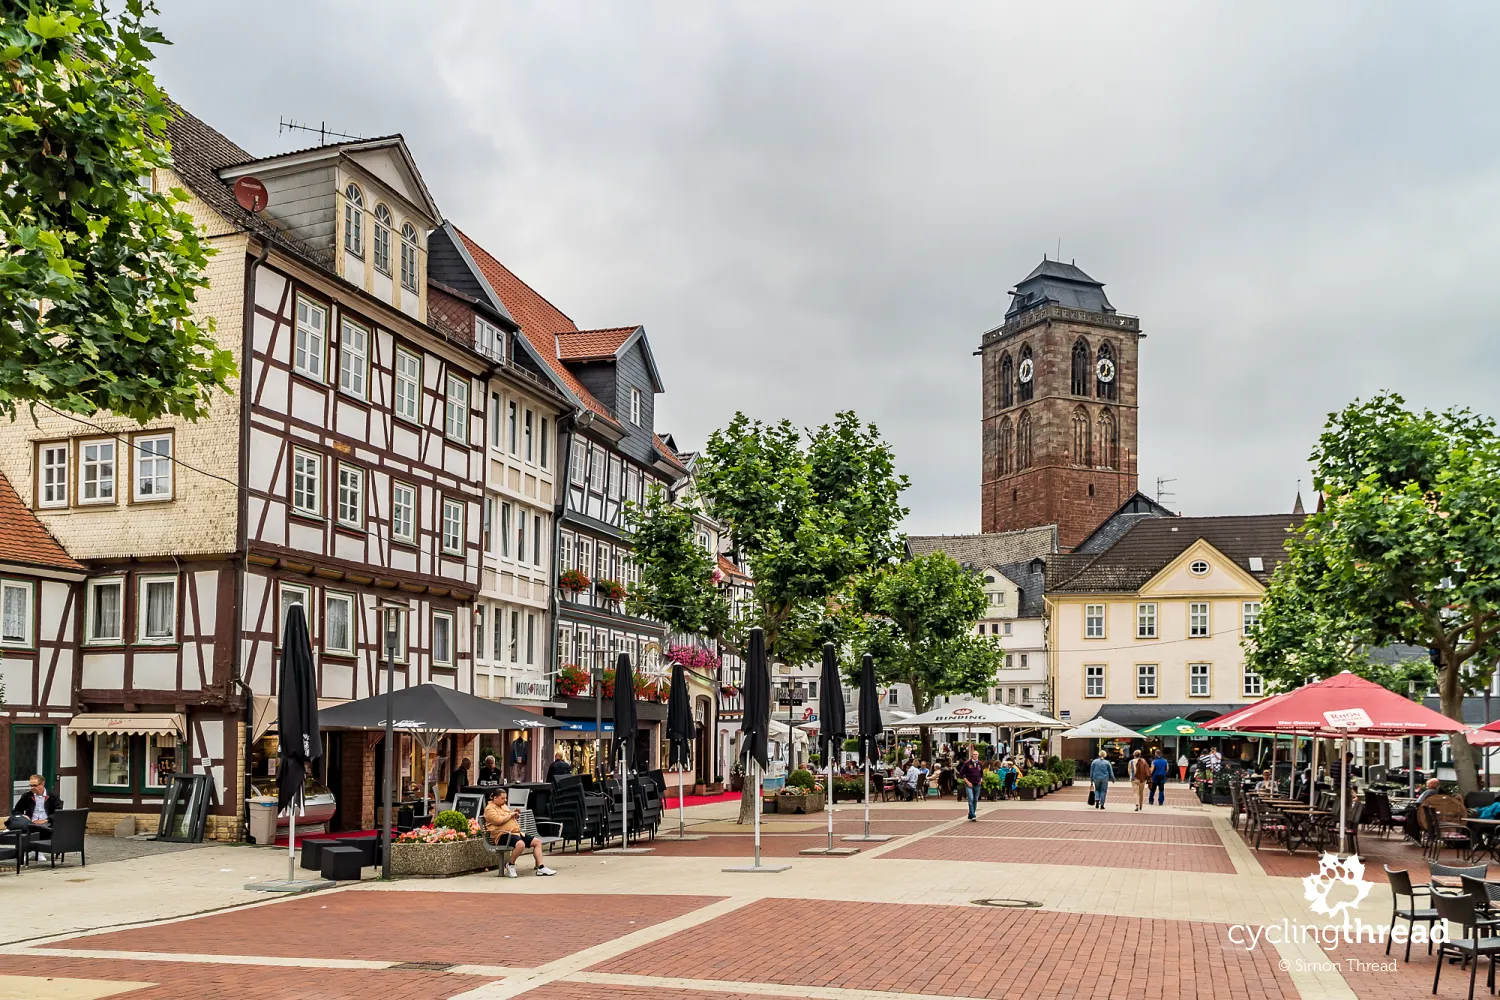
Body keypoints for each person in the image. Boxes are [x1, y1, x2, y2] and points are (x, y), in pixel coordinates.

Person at [483, 788, 556, 877]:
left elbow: (509, 817)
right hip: (502, 835)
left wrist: (515, 815)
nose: (505, 800)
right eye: (502, 798)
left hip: (515, 833)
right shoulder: (489, 809)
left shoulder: (503, 806)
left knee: (537, 842)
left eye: (505, 798)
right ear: (495, 798)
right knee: (520, 845)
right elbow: (499, 821)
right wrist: (511, 815)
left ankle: (541, 867)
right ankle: (510, 864)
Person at [9, 775, 60, 845]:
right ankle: (30, 850)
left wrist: (46, 820)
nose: (32, 788)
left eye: (35, 785)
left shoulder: (53, 796)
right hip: (30, 823)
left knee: (45, 830)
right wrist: (23, 816)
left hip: (47, 823)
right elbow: (16, 811)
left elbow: (58, 812)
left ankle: (39, 851)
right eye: (31, 785)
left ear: (42, 784)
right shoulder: (27, 796)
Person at [1402, 777, 1443, 843]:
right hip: (1424, 811)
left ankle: (1411, 835)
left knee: (1408, 814)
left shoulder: (1429, 792)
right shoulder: (1433, 792)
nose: (1427, 784)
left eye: (1429, 783)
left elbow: (1419, 802)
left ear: (1434, 785)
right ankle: (1410, 834)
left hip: (1421, 812)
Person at [959, 748, 984, 821]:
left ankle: (971, 813)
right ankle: (973, 815)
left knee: (975, 799)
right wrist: (967, 782)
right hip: (969, 783)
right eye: (974, 754)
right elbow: (961, 774)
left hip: (977, 783)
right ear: (971, 755)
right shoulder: (967, 763)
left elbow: (981, 773)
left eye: (976, 754)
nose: (975, 756)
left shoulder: (979, 763)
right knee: (971, 798)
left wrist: (981, 780)